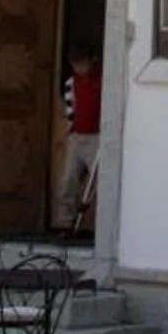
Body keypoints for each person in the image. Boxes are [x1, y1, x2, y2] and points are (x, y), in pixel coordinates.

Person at [55, 46, 102, 234]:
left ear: (92, 60)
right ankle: (66, 223)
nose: (80, 69)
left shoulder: (102, 80)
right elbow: (70, 107)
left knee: (99, 182)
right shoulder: (71, 82)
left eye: (83, 64)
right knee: (68, 181)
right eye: (76, 65)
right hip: (77, 137)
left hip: (97, 137)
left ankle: (94, 225)